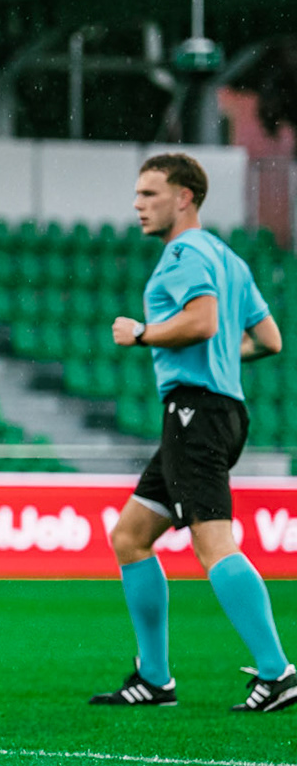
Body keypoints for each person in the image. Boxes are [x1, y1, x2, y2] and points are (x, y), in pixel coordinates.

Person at [91, 152, 293, 712]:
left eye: (150, 194)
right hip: (218, 412)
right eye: (137, 195)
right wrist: (223, 355)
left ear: (185, 197)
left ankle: (278, 672)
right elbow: (270, 339)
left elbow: (201, 321)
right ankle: (155, 679)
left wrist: (142, 333)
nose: (138, 205)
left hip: (195, 414)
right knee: (130, 537)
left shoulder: (183, 253)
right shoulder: (228, 257)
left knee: (213, 543)